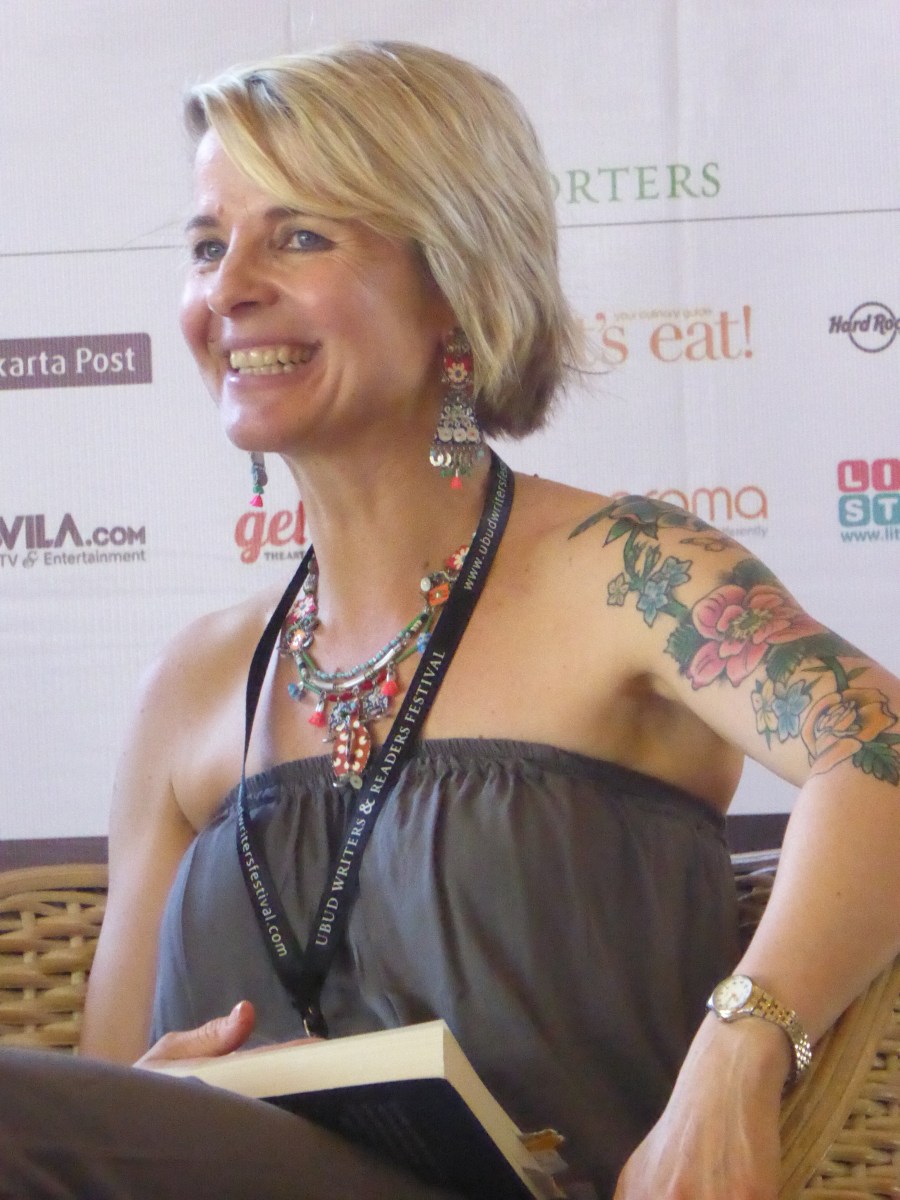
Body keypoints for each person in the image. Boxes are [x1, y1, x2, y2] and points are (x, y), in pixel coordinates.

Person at [2, 40, 898, 1200]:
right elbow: (93, 1098)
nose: (227, 288)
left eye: (299, 236)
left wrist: (743, 1049)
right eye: (209, 245)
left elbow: (880, 754)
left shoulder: (630, 577)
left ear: (455, 282)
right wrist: (154, 1099)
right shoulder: (193, 685)